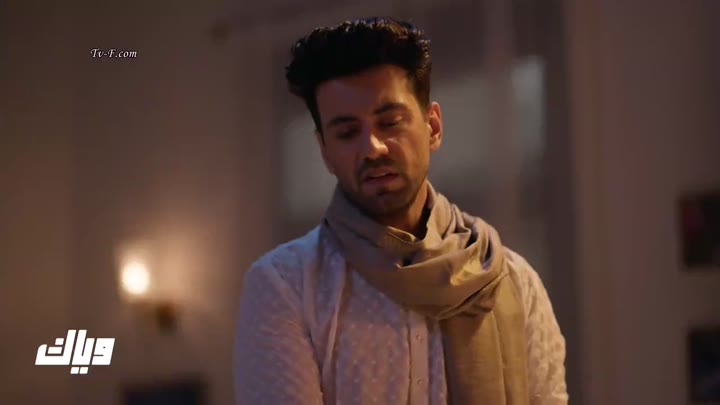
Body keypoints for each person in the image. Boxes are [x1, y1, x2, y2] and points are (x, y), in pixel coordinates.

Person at [233, 16, 568, 405]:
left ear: (433, 127)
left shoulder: (514, 282)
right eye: (347, 133)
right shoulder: (286, 286)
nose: (372, 148)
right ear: (325, 151)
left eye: (389, 122)